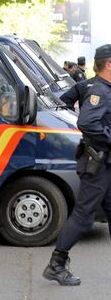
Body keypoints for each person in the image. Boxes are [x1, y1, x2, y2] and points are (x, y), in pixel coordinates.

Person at [43, 44, 111, 286]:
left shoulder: (89, 85)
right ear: (108, 64)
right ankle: (56, 264)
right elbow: (88, 121)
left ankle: (57, 264)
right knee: (83, 217)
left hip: (103, 162)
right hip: (98, 163)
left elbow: (62, 102)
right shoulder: (100, 91)